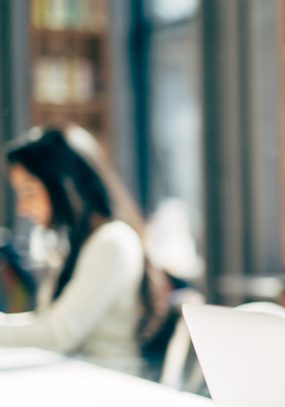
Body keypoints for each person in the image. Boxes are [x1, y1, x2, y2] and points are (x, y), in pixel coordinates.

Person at [1, 125, 170, 376]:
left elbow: (59, 334)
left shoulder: (112, 243)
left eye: (29, 192)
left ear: (64, 184)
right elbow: (49, 324)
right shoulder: (80, 243)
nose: (22, 208)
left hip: (106, 389)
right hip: (77, 380)